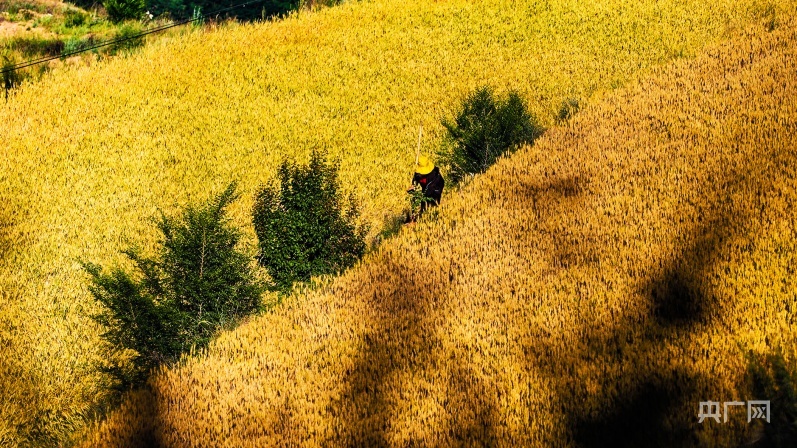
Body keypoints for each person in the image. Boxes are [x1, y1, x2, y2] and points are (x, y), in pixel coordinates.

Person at [407, 155, 445, 221]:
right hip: (426, 187)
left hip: (436, 187)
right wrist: (413, 186)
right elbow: (415, 180)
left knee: (432, 202)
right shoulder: (418, 173)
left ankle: (432, 217)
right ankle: (421, 216)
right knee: (424, 202)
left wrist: (421, 197)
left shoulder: (434, 176)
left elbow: (429, 191)